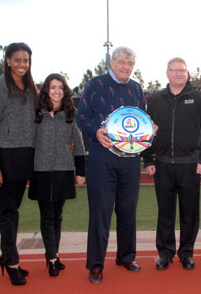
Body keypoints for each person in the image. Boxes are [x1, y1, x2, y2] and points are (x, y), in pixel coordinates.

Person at [76, 46, 145, 284]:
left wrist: (150, 129)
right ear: (112, 62)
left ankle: (126, 256)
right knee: (100, 212)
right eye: (122, 61)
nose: (126, 66)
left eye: (130, 63)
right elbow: (81, 116)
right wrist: (95, 132)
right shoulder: (94, 85)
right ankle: (95, 264)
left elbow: (141, 119)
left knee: (128, 210)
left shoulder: (137, 88)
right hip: (101, 158)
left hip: (130, 160)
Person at [143, 57, 201, 271]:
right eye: (174, 70)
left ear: (187, 74)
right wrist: (148, 158)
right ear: (167, 73)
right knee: (165, 212)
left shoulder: (200, 98)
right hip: (163, 165)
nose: (178, 74)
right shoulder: (156, 99)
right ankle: (165, 254)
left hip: (190, 165)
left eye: (182, 70)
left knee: (189, 213)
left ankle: (186, 253)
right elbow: (147, 131)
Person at [0, 42, 38, 286]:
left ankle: (7, 255)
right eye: (17, 60)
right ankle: (11, 260)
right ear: (7, 60)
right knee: (7, 211)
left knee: (14, 209)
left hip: (25, 155)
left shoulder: (29, 86)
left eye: (25, 60)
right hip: (5, 157)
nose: (21, 65)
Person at [29, 73, 86, 276]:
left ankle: (54, 254)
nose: (56, 91)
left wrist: (80, 171)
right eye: (53, 87)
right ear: (46, 90)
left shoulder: (71, 113)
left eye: (60, 88)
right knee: (47, 215)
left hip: (63, 169)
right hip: (41, 170)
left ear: (65, 91)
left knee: (58, 215)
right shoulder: (36, 113)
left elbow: (78, 144)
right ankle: (52, 258)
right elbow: (30, 144)